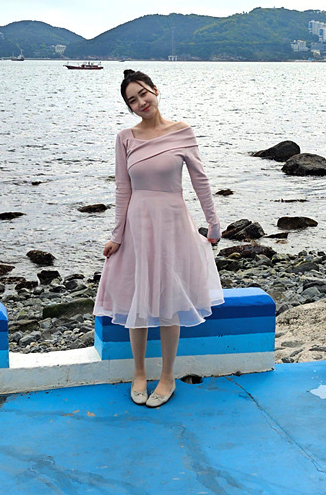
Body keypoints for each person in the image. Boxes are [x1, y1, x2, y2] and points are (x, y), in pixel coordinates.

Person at [93, 69, 223, 408]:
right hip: (138, 225)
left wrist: (213, 224)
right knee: (136, 297)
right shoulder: (125, 138)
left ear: (155, 90)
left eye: (143, 93)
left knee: (169, 301)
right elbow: (123, 188)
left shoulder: (182, 132)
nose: (141, 102)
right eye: (132, 100)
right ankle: (138, 373)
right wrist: (117, 235)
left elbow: (200, 181)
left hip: (173, 222)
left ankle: (167, 376)